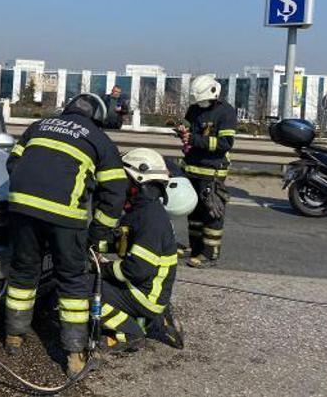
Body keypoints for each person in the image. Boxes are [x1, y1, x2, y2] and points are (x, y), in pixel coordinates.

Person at [3, 93, 127, 376]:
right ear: (98, 115)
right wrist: (97, 234)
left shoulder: (39, 125)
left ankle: (13, 337)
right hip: (66, 216)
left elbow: (13, 163)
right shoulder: (99, 139)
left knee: (23, 272)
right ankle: (74, 356)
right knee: (72, 281)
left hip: (22, 209)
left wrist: (29, 194)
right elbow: (115, 191)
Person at [95, 148, 185, 353]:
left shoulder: (149, 219)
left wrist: (101, 267)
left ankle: (129, 333)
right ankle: (150, 321)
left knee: (82, 288)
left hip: (145, 295)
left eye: (123, 178)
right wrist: (89, 245)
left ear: (137, 180)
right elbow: (119, 243)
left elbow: (137, 270)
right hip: (146, 289)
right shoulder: (143, 210)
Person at [176, 74, 237, 268]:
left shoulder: (226, 113)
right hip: (192, 169)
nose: (200, 105)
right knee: (193, 213)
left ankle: (210, 254)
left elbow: (225, 143)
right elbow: (188, 123)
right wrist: (182, 128)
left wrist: (194, 140)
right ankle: (195, 248)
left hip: (212, 172)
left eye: (203, 101)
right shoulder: (195, 107)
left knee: (211, 213)